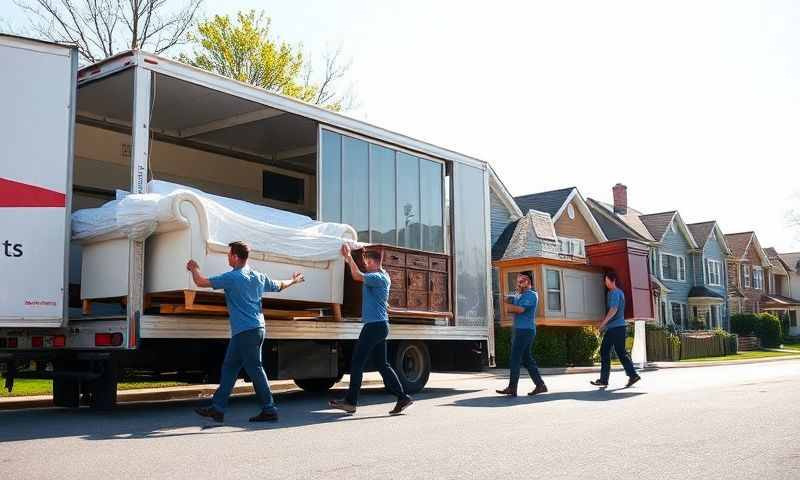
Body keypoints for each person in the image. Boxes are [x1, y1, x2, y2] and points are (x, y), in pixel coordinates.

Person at [188, 241, 304, 423]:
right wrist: (294, 280)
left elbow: (200, 281)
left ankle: (269, 409)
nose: (227, 257)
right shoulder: (257, 276)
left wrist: (194, 268)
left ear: (235, 257)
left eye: (228, 254)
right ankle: (218, 409)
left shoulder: (232, 277)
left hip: (245, 331)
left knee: (255, 369)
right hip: (256, 329)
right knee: (230, 367)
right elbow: (279, 285)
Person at [329, 244, 414, 415]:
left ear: (374, 262)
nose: (365, 265)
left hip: (374, 326)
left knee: (357, 363)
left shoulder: (377, 277)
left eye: (366, 262)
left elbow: (356, 275)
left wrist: (348, 257)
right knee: (382, 364)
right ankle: (403, 397)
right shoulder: (384, 275)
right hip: (380, 325)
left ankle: (350, 402)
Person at [496, 271, 548, 397]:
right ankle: (540, 385)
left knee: (515, 358)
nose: (518, 283)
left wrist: (507, 306)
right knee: (526, 359)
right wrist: (501, 296)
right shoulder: (519, 295)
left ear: (528, 282)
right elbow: (508, 297)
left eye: (521, 281)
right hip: (519, 330)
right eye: (518, 281)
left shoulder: (531, 295)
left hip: (525, 331)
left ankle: (512, 388)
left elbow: (520, 309)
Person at [591, 271, 641, 388]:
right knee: (616, 352)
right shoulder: (616, 293)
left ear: (612, 280)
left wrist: (603, 324)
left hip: (616, 328)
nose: (605, 282)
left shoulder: (614, 293)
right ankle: (632, 375)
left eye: (606, 280)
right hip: (616, 328)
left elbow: (613, 310)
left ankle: (607, 379)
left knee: (610, 351)